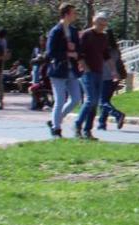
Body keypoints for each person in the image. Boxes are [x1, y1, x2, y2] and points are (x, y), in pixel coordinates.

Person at [45, 4, 83, 139]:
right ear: (66, 14)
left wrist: (76, 54)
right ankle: (56, 129)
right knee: (60, 100)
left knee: (76, 99)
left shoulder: (73, 31)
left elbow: (79, 50)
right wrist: (67, 53)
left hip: (71, 70)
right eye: (73, 13)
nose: (75, 15)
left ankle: (54, 120)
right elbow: (50, 52)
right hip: (58, 70)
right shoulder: (56, 31)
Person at [74, 13, 111, 136]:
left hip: (98, 71)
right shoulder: (86, 35)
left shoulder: (104, 37)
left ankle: (87, 129)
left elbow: (106, 54)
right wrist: (84, 66)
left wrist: (114, 70)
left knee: (95, 102)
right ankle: (78, 124)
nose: (102, 27)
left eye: (105, 25)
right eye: (101, 24)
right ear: (94, 22)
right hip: (87, 71)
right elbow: (79, 53)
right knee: (91, 100)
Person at [94, 27, 128, 130]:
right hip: (114, 77)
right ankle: (102, 123)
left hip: (105, 77)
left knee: (102, 101)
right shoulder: (115, 50)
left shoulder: (103, 49)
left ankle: (117, 114)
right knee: (106, 100)